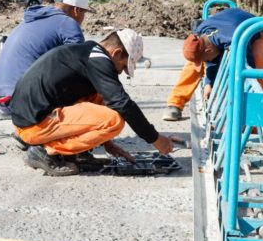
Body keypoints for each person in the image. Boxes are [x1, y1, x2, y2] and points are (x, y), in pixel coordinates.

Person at [10, 28, 177, 176]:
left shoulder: (88, 52)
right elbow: (124, 104)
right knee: (114, 120)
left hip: (31, 117)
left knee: (103, 95)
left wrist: (105, 142)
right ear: (117, 53)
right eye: (123, 66)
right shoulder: (98, 60)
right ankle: (44, 151)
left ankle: (78, 154)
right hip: (33, 126)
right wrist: (155, 139)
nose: (121, 71)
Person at [0, 0, 90, 120]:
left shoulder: (33, 18)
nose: (83, 18)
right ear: (76, 10)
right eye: (84, 13)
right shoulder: (68, 23)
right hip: (21, 100)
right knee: (86, 80)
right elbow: (78, 65)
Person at [163, 6, 263, 121]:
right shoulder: (201, 34)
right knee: (192, 66)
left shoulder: (233, 40)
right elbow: (211, 60)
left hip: (253, 33)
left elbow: (245, 67)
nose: (206, 61)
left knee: (257, 68)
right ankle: (175, 103)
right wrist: (208, 83)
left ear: (209, 50)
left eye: (206, 59)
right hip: (228, 30)